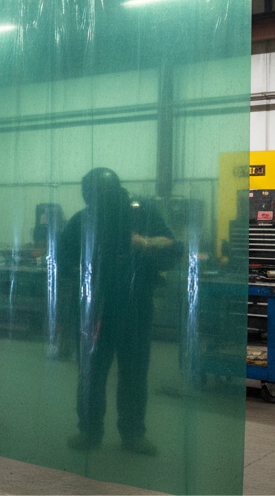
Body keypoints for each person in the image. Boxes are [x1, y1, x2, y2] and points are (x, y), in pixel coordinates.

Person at [57, 168, 175, 456]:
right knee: (92, 375)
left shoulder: (142, 213)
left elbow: (171, 247)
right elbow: (62, 261)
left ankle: (132, 434)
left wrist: (144, 244)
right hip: (96, 311)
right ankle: (90, 431)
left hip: (134, 310)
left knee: (133, 374)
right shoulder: (83, 221)